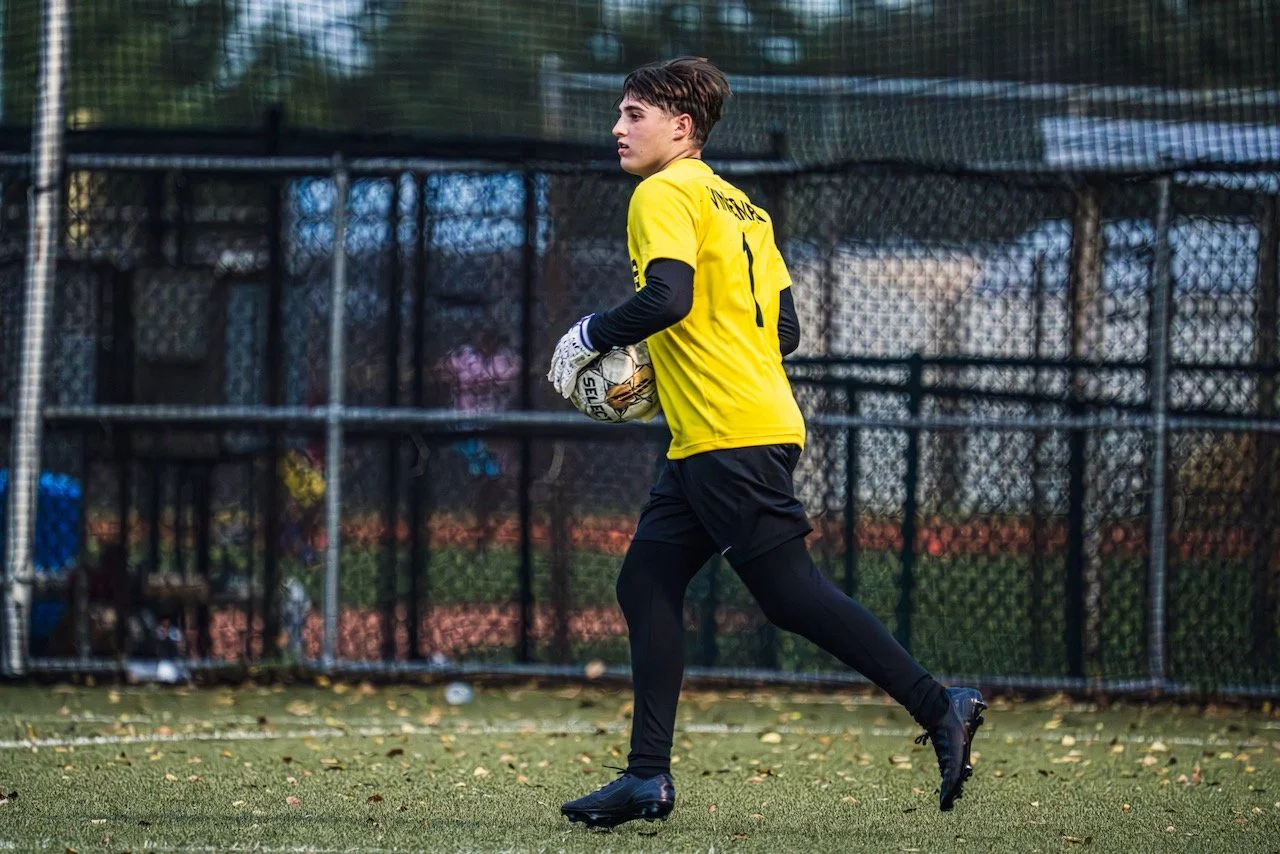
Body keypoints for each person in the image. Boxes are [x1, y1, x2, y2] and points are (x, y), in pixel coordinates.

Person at [546, 57, 986, 829]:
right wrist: (680, 354)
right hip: (726, 430)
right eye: (619, 115)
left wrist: (590, 335)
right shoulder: (743, 207)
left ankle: (937, 703)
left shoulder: (663, 192)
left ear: (681, 128)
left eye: (633, 114)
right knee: (645, 583)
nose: (617, 129)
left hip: (727, 434)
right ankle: (646, 776)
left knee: (790, 594)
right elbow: (783, 331)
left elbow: (667, 297)